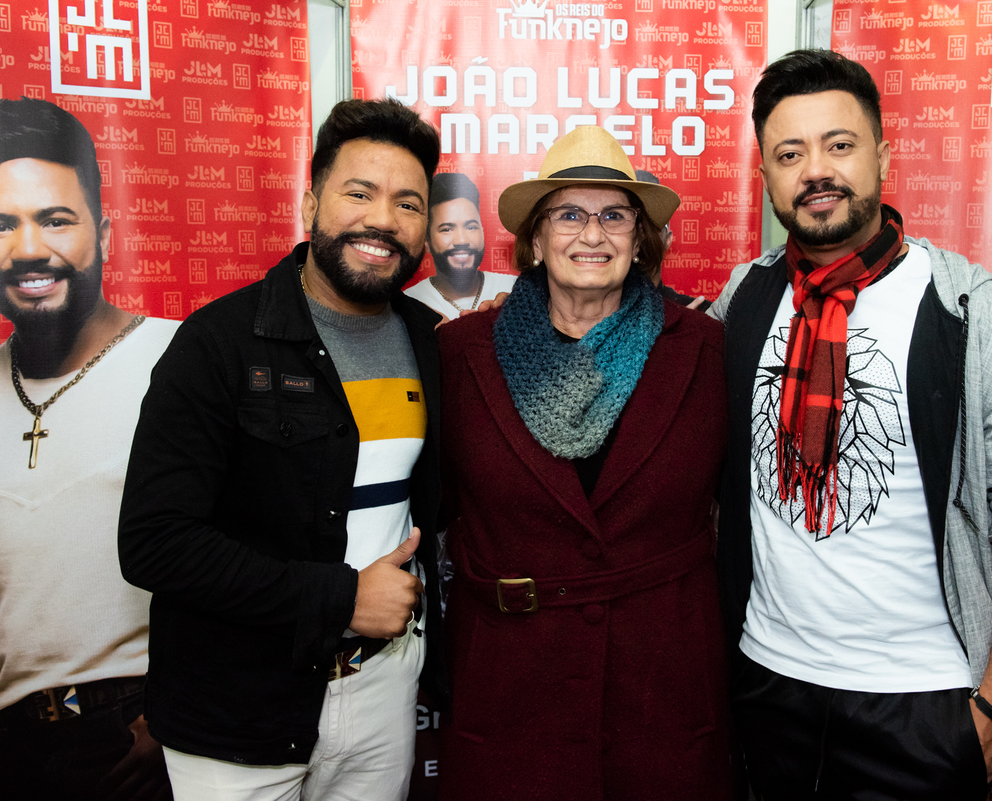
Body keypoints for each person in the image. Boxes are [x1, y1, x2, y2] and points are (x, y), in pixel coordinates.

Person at [709, 49, 992, 799]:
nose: (817, 171)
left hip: (923, 704)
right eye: (790, 153)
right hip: (768, 685)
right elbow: (660, 354)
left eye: (839, 144)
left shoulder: (982, 318)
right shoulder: (745, 297)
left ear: (883, 155)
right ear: (766, 175)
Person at [117, 98, 447, 801]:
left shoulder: (432, 341)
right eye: (359, 193)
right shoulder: (219, 342)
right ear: (310, 204)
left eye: (408, 203)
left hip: (384, 688)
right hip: (236, 704)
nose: (383, 220)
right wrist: (341, 598)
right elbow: (153, 543)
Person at [436, 125, 733, 800]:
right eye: (568, 215)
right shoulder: (461, 354)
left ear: (640, 240)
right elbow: (435, 508)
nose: (592, 235)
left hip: (662, 698)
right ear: (536, 241)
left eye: (614, 216)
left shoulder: (705, 351)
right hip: (510, 696)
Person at [0, 97, 176, 801]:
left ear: (107, 232)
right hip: (24, 750)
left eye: (56, 219)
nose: (29, 248)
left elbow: (258, 554)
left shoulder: (183, 360)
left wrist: (178, 716)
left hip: (151, 734)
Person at [404, 172, 515, 319]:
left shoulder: (515, 289)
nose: (462, 240)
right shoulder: (409, 304)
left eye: (471, 227)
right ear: (427, 241)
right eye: (447, 229)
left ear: (482, 231)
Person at [634, 169, 710, 311]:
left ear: (668, 239)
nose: (642, 235)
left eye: (652, 225)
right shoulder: (596, 312)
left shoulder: (700, 312)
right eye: (634, 224)